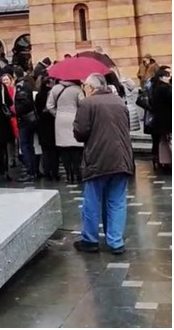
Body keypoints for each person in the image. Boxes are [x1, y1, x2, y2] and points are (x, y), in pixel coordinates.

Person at [73, 73, 135, 254]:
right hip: (121, 158)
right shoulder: (118, 101)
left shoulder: (87, 103)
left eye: (85, 86)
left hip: (98, 159)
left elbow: (80, 132)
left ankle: (90, 240)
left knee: (92, 200)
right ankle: (116, 242)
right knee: (117, 201)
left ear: (91, 88)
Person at [47, 77, 84, 184]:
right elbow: (82, 104)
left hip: (60, 120)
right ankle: (77, 172)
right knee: (75, 147)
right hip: (74, 118)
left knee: (64, 148)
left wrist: (57, 113)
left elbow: (49, 106)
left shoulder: (55, 88)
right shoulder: (77, 89)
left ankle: (69, 174)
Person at [14, 74, 39, 180]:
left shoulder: (21, 87)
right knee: (31, 145)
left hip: (24, 120)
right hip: (32, 119)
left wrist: (17, 112)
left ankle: (30, 171)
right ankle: (35, 170)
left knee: (25, 145)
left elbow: (21, 105)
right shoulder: (32, 88)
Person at [150, 67, 172, 174]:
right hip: (167, 120)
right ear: (161, 78)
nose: (169, 78)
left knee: (163, 142)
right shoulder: (165, 89)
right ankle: (167, 162)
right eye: (167, 76)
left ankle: (165, 163)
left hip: (160, 121)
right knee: (169, 142)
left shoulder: (156, 88)